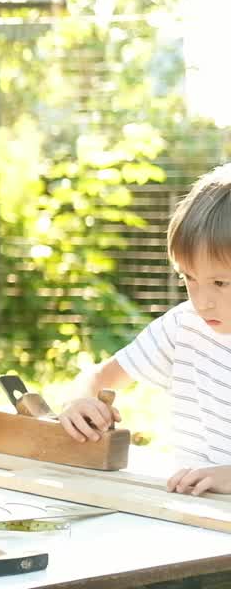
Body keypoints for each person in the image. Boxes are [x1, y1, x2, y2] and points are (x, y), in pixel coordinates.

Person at [58, 163, 231, 496]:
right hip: (195, 519)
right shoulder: (183, 327)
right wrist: (78, 402)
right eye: (188, 279)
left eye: (220, 282)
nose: (201, 302)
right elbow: (96, 379)